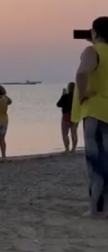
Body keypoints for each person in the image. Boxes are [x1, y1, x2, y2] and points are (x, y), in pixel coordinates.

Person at [76, 16, 108, 217]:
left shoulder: (92, 51)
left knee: (96, 161)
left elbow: (81, 73)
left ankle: (97, 209)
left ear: (94, 32)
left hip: (96, 112)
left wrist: (83, 93)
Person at [57, 82, 79, 153]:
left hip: (66, 116)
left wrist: (63, 94)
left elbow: (58, 104)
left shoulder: (65, 96)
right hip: (75, 115)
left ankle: (67, 149)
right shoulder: (77, 97)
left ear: (69, 88)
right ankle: (74, 149)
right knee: (74, 133)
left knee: (65, 134)